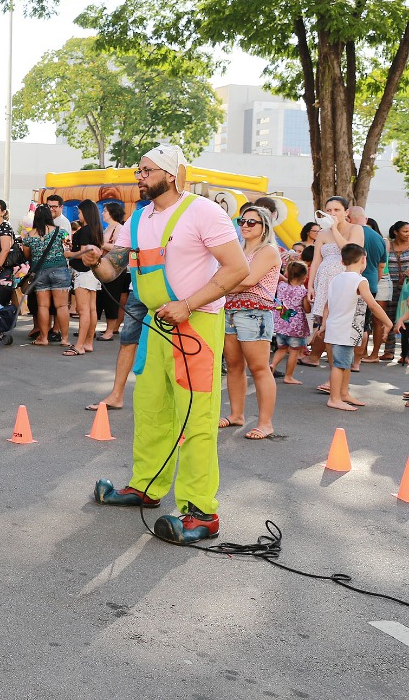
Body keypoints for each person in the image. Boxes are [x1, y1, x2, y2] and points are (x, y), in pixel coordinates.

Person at [85, 144, 247, 545]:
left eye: (146, 170)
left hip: (197, 326)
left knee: (196, 419)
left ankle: (202, 512)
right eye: (139, 170)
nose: (138, 176)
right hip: (155, 327)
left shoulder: (203, 211)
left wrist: (188, 304)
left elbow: (238, 268)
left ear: (172, 174)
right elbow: (113, 270)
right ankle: (147, 486)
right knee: (152, 409)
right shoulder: (137, 220)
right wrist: (93, 261)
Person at [220, 205, 281, 439]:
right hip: (230, 311)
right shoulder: (238, 249)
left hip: (254, 313)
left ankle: (265, 423)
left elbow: (249, 280)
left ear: (264, 226)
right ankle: (237, 415)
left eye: (251, 222)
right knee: (234, 366)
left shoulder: (268, 251)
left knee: (259, 368)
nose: (245, 225)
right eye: (242, 221)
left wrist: (215, 289)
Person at [319, 244, 391, 411]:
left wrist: (323, 324)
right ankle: (335, 398)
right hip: (346, 330)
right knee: (340, 364)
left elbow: (327, 305)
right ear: (364, 259)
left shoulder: (336, 279)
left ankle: (343, 393)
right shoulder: (360, 280)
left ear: (342, 262)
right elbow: (372, 304)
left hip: (336, 327)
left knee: (346, 362)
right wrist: (388, 322)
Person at [302, 196, 364, 369]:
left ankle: (340, 374)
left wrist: (335, 229)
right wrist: (310, 285)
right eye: (328, 210)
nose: (332, 213)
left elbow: (349, 251)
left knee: (340, 329)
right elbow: (315, 262)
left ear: (346, 212)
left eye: (336, 210)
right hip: (324, 283)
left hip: (345, 283)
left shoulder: (356, 229)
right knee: (326, 328)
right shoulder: (322, 233)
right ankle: (332, 374)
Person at [22, 204, 71, 347]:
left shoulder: (29, 235)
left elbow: (27, 255)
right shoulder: (60, 231)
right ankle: (65, 339)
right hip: (60, 270)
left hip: (40, 272)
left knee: (42, 306)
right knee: (62, 306)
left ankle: (43, 338)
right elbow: (68, 246)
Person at [348, 206, 387, 363]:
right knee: (363, 324)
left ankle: (349, 358)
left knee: (349, 322)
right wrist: (374, 282)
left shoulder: (351, 233)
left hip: (351, 282)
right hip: (371, 283)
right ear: (366, 218)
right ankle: (358, 360)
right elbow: (381, 266)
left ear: (349, 218)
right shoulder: (378, 238)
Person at [66, 199, 104, 356]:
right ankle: (88, 343)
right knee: (91, 309)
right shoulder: (96, 230)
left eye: (80, 212)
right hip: (94, 272)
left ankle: (79, 345)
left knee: (83, 311)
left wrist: (68, 253)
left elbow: (82, 254)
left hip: (83, 272)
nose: (78, 215)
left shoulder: (84, 231)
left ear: (85, 213)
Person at [270, 261, 310, 384]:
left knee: (281, 348)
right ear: (304, 277)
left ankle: (272, 365)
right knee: (293, 350)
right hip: (296, 327)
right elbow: (307, 309)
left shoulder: (281, 286)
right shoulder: (302, 291)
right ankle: (288, 376)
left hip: (281, 324)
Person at [97, 202, 130, 341]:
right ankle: (111, 328)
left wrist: (101, 244)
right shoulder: (109, 228)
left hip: (115, 268)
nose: (103, 213)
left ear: (112, 213)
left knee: (112, 299)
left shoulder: (119, 228)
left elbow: (120, 248)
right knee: (107, 298)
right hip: (108, 267)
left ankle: (111, 330)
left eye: (105, 211)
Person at [384, 221, 409, 362]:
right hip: (390, 286)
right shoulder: (389, 245)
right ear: (396, 232)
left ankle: (406, 354)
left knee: (406, 318)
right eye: (405, 231)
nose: (408, 234)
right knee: (389, 317)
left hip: (407, 288)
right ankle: (389, 351)